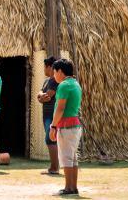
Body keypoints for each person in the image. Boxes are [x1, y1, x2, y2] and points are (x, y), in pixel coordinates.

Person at [49, 59, 82, 196]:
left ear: (60, 72)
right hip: (75, 125)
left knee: (66, 158)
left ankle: (68, 188)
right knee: (73, 158)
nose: (54, 75)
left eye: (54, 72)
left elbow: (60, 108)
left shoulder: (63, 86)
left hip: (66, 126)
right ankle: (73, 187)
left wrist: (53, 126)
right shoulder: (75, 84)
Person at [37, 56, 59, 175]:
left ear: (50, 67)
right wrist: (41, 96)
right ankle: (54, 166)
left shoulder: (55, 80)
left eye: (45, 67)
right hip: (46, 115)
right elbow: (41, 94)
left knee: (50, 139)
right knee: (50, 139)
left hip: (52, 115)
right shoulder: (47, 81)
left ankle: (54, 167)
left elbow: (48, 96)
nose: (44, 69)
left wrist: (41, 97)